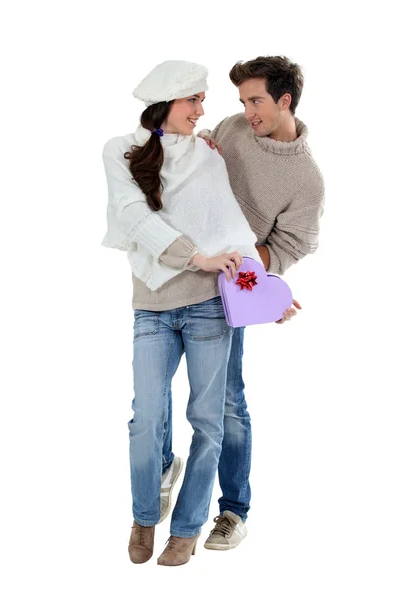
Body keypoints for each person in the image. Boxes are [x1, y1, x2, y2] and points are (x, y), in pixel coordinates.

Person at [101, 60, 288, 566]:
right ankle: (144, 517)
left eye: (204, 100)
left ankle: (186, 528)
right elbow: (133, 216)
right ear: (167, 102)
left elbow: (232, 235)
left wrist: (266, 291)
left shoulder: (208, 155)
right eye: (194, 100)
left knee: (207, 422)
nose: (203, 110)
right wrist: (194, 256)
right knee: (146, 420)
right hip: (154, 307)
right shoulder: (120, 150)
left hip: (209, 306)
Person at [161, 55, 325, 551]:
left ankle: (233, 511)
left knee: (227, 402)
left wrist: (260, 282)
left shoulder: (307, 181)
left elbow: (290, 247)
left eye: (256, 101)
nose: (246, 111)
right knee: (153, 388)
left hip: (229, 293)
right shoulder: (233, 129)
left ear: (285, 101)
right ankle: (164, 461)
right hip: (181, 269)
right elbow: (193, 163)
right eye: (242, 101)